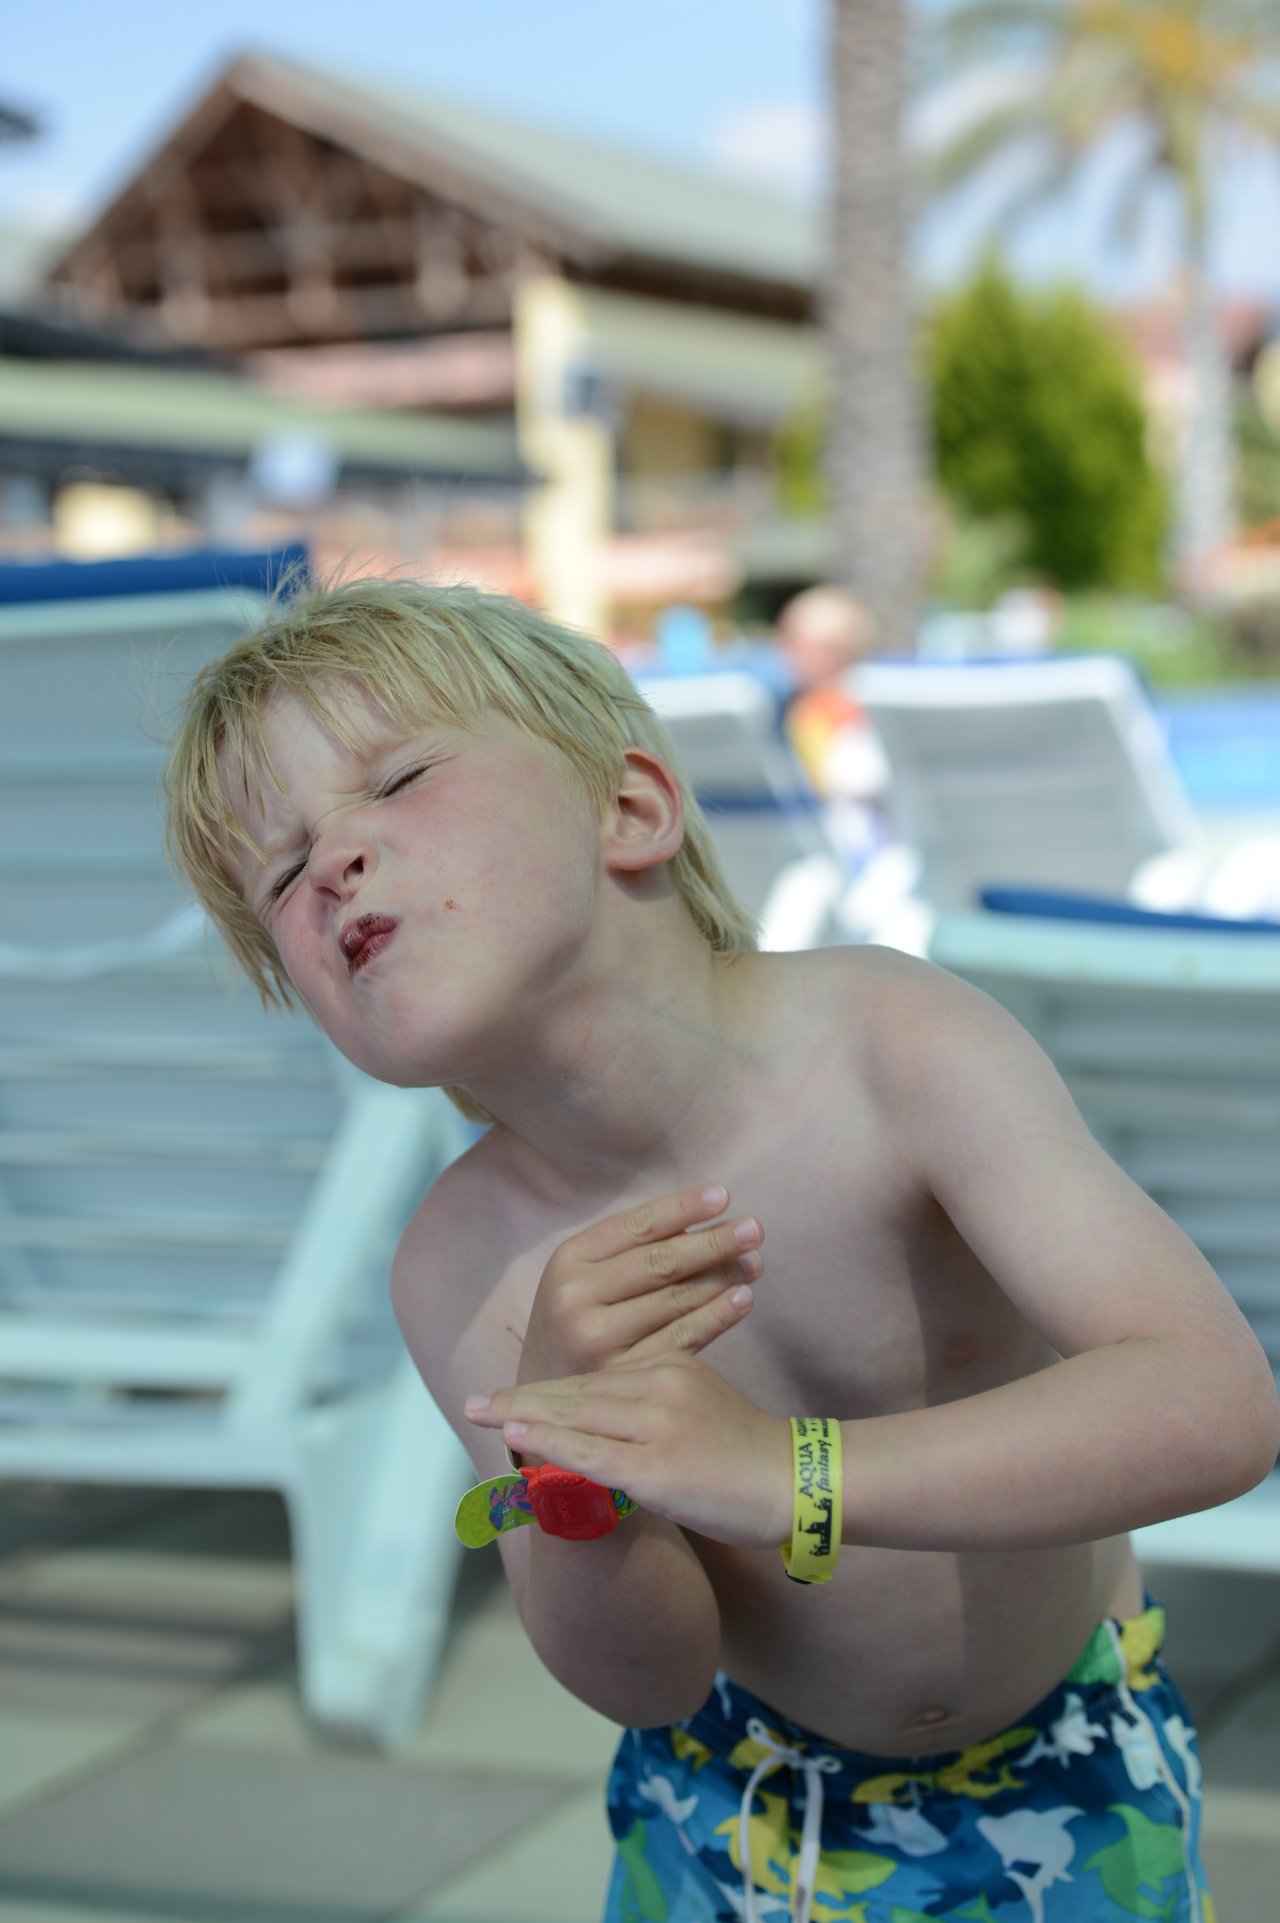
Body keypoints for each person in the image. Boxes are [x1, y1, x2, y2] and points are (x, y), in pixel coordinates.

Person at [164, 574, 1277, 1923]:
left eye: (397, 779)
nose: (332, 859)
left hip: (1063, 1790)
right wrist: (571, 1477)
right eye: (279, 873)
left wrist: (789, 1473)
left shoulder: (891, 1048)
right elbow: (648, 1680)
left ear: (628, 808)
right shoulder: (466, 1265)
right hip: (731, 1820)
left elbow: (1210, 1400)